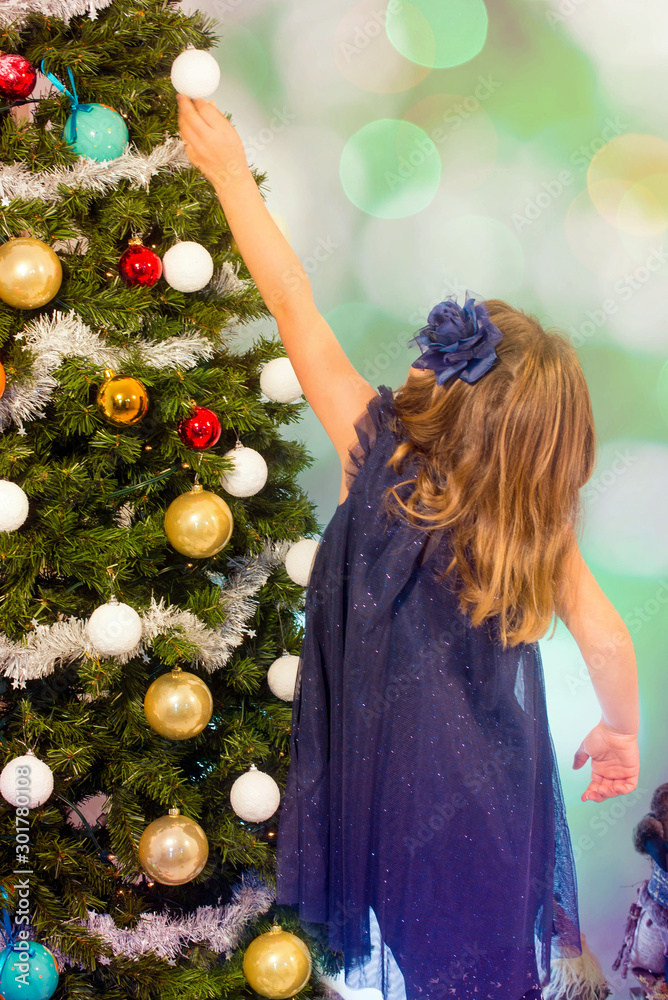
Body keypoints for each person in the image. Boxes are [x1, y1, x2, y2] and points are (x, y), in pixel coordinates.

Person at [177, 95, 640, 1000]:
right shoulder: (537, 526)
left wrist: (229, 171)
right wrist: (620, 732)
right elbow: (610, 640)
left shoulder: (372, 447)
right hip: (488, 809)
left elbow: (291, 298)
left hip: (378, 800)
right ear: (547, 448)